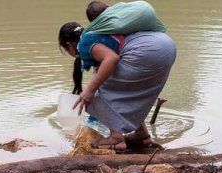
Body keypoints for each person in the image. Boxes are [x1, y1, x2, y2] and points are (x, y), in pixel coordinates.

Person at [58, 6, 176, 151]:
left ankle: (116, 138)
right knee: (127, 91)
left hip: (146, 53)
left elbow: (112, 59)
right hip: (165, 46)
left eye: (65, 50)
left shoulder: (85, 43)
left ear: (69, 45)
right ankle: (142, 135)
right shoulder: (100, 32)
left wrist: (89, 90)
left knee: (93, 95)